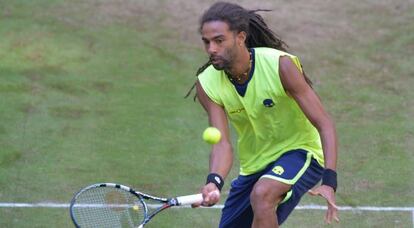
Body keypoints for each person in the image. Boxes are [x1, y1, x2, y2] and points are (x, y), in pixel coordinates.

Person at [189, 2, 339, 227]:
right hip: (255, 165)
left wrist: (329, 180)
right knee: (256, 196)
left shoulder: (280, 66)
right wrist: (214, 182)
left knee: (263, 194)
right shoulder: (207, 84)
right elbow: (221, 144)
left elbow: (323, 123)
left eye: (219, 41)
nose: (211, 49)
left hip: (301, 152)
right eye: (206, 42)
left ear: (240, 37)